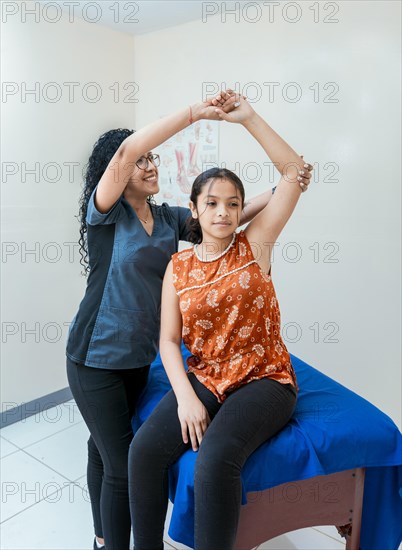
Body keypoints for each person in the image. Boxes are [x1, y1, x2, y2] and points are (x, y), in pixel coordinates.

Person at [65, 91, 309, 550]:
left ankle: (104, 535)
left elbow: (238, 206)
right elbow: (169, 338)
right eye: (142, 161)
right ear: (195, 209)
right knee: (125, 458)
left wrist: (278, 183)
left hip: (167, 362)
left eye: (230, 204)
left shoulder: (198, 229)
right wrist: (196, 113)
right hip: (99, 357)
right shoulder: (119, 223)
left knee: (110, 448)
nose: (149, 165)